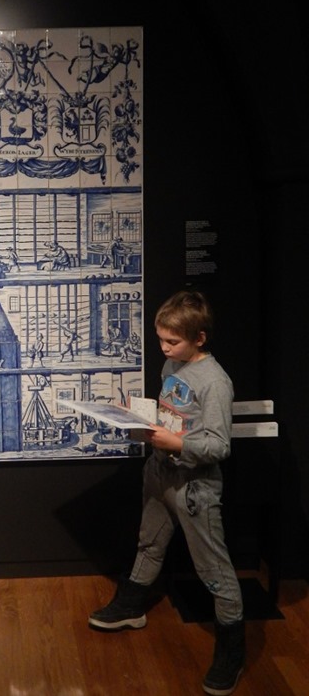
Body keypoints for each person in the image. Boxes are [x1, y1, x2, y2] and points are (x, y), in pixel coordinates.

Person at [87, 290, 245, 696]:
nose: (164, 348)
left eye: (172, 341)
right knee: (149, 541)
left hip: (195, 487)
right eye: (160, 339)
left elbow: (219, 445)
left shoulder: (216, 382)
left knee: (213, 569)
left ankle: (232, 649)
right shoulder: (172, 365)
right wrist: (140, 421)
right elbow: (170, 413)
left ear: (199, 338)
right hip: (160, 472)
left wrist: (177, 444)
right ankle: (131, 605)